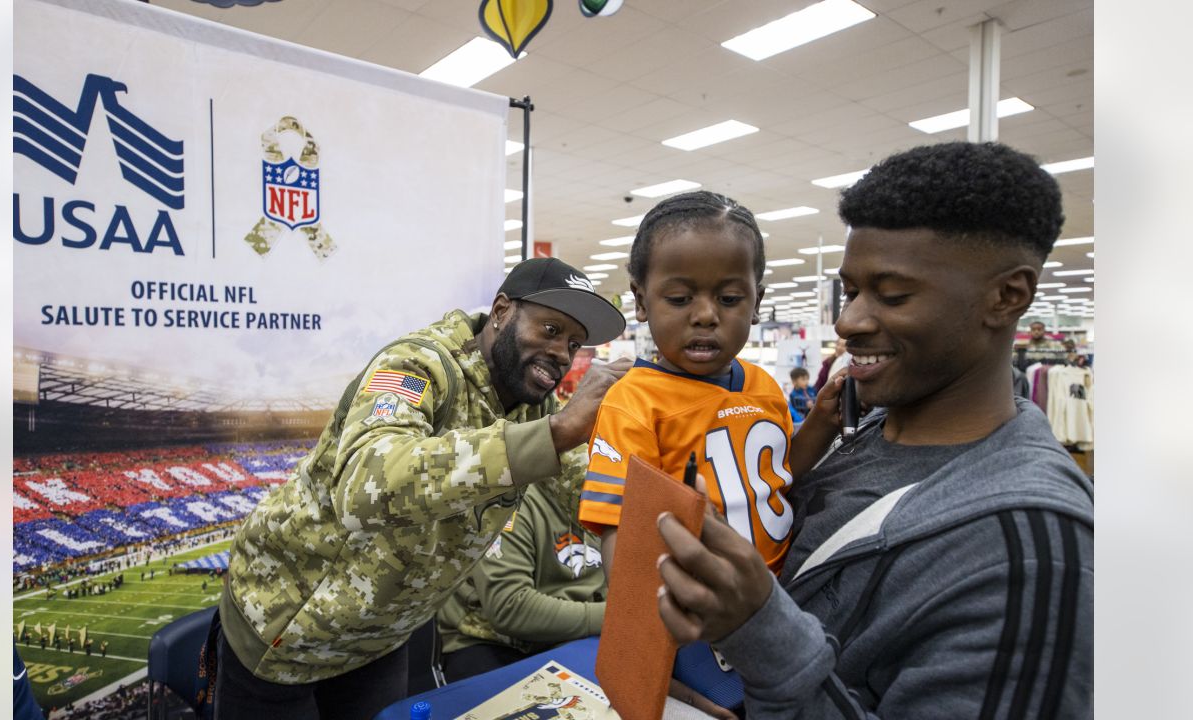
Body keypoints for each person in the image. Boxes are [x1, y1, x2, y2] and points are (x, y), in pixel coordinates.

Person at [654, 141, 1093, 718]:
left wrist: (762, 633)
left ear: (1007, 296)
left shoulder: (1033, 553)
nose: (848, 321)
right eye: (852, 290)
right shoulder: (864, 428)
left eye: (893, 295)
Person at [214, 257, 630, 719]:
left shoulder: (535, 405)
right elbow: (364, 485)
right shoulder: (419, 364)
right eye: (550, 330)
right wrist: (554, 434)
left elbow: (595, 493)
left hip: (381, 639)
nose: (561, 353)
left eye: (573, 344)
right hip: (285, 632)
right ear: (501, 311)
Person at [577, 190, 839, 577]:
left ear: (757, 303)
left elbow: (776, 476)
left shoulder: (763, 385)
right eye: (680, 298)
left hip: (785, 600)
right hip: (701, 616)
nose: (705, 315)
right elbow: (623, 530)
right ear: (641, 300)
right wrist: (648, 628)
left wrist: (822, 421)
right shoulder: (632, 403)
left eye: (730, 298)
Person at [437, 473, 606, 682]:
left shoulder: (607, 491)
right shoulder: (507, 499)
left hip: (575, 632)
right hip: (491, 641)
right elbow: (510, 607)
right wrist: (614, 618)